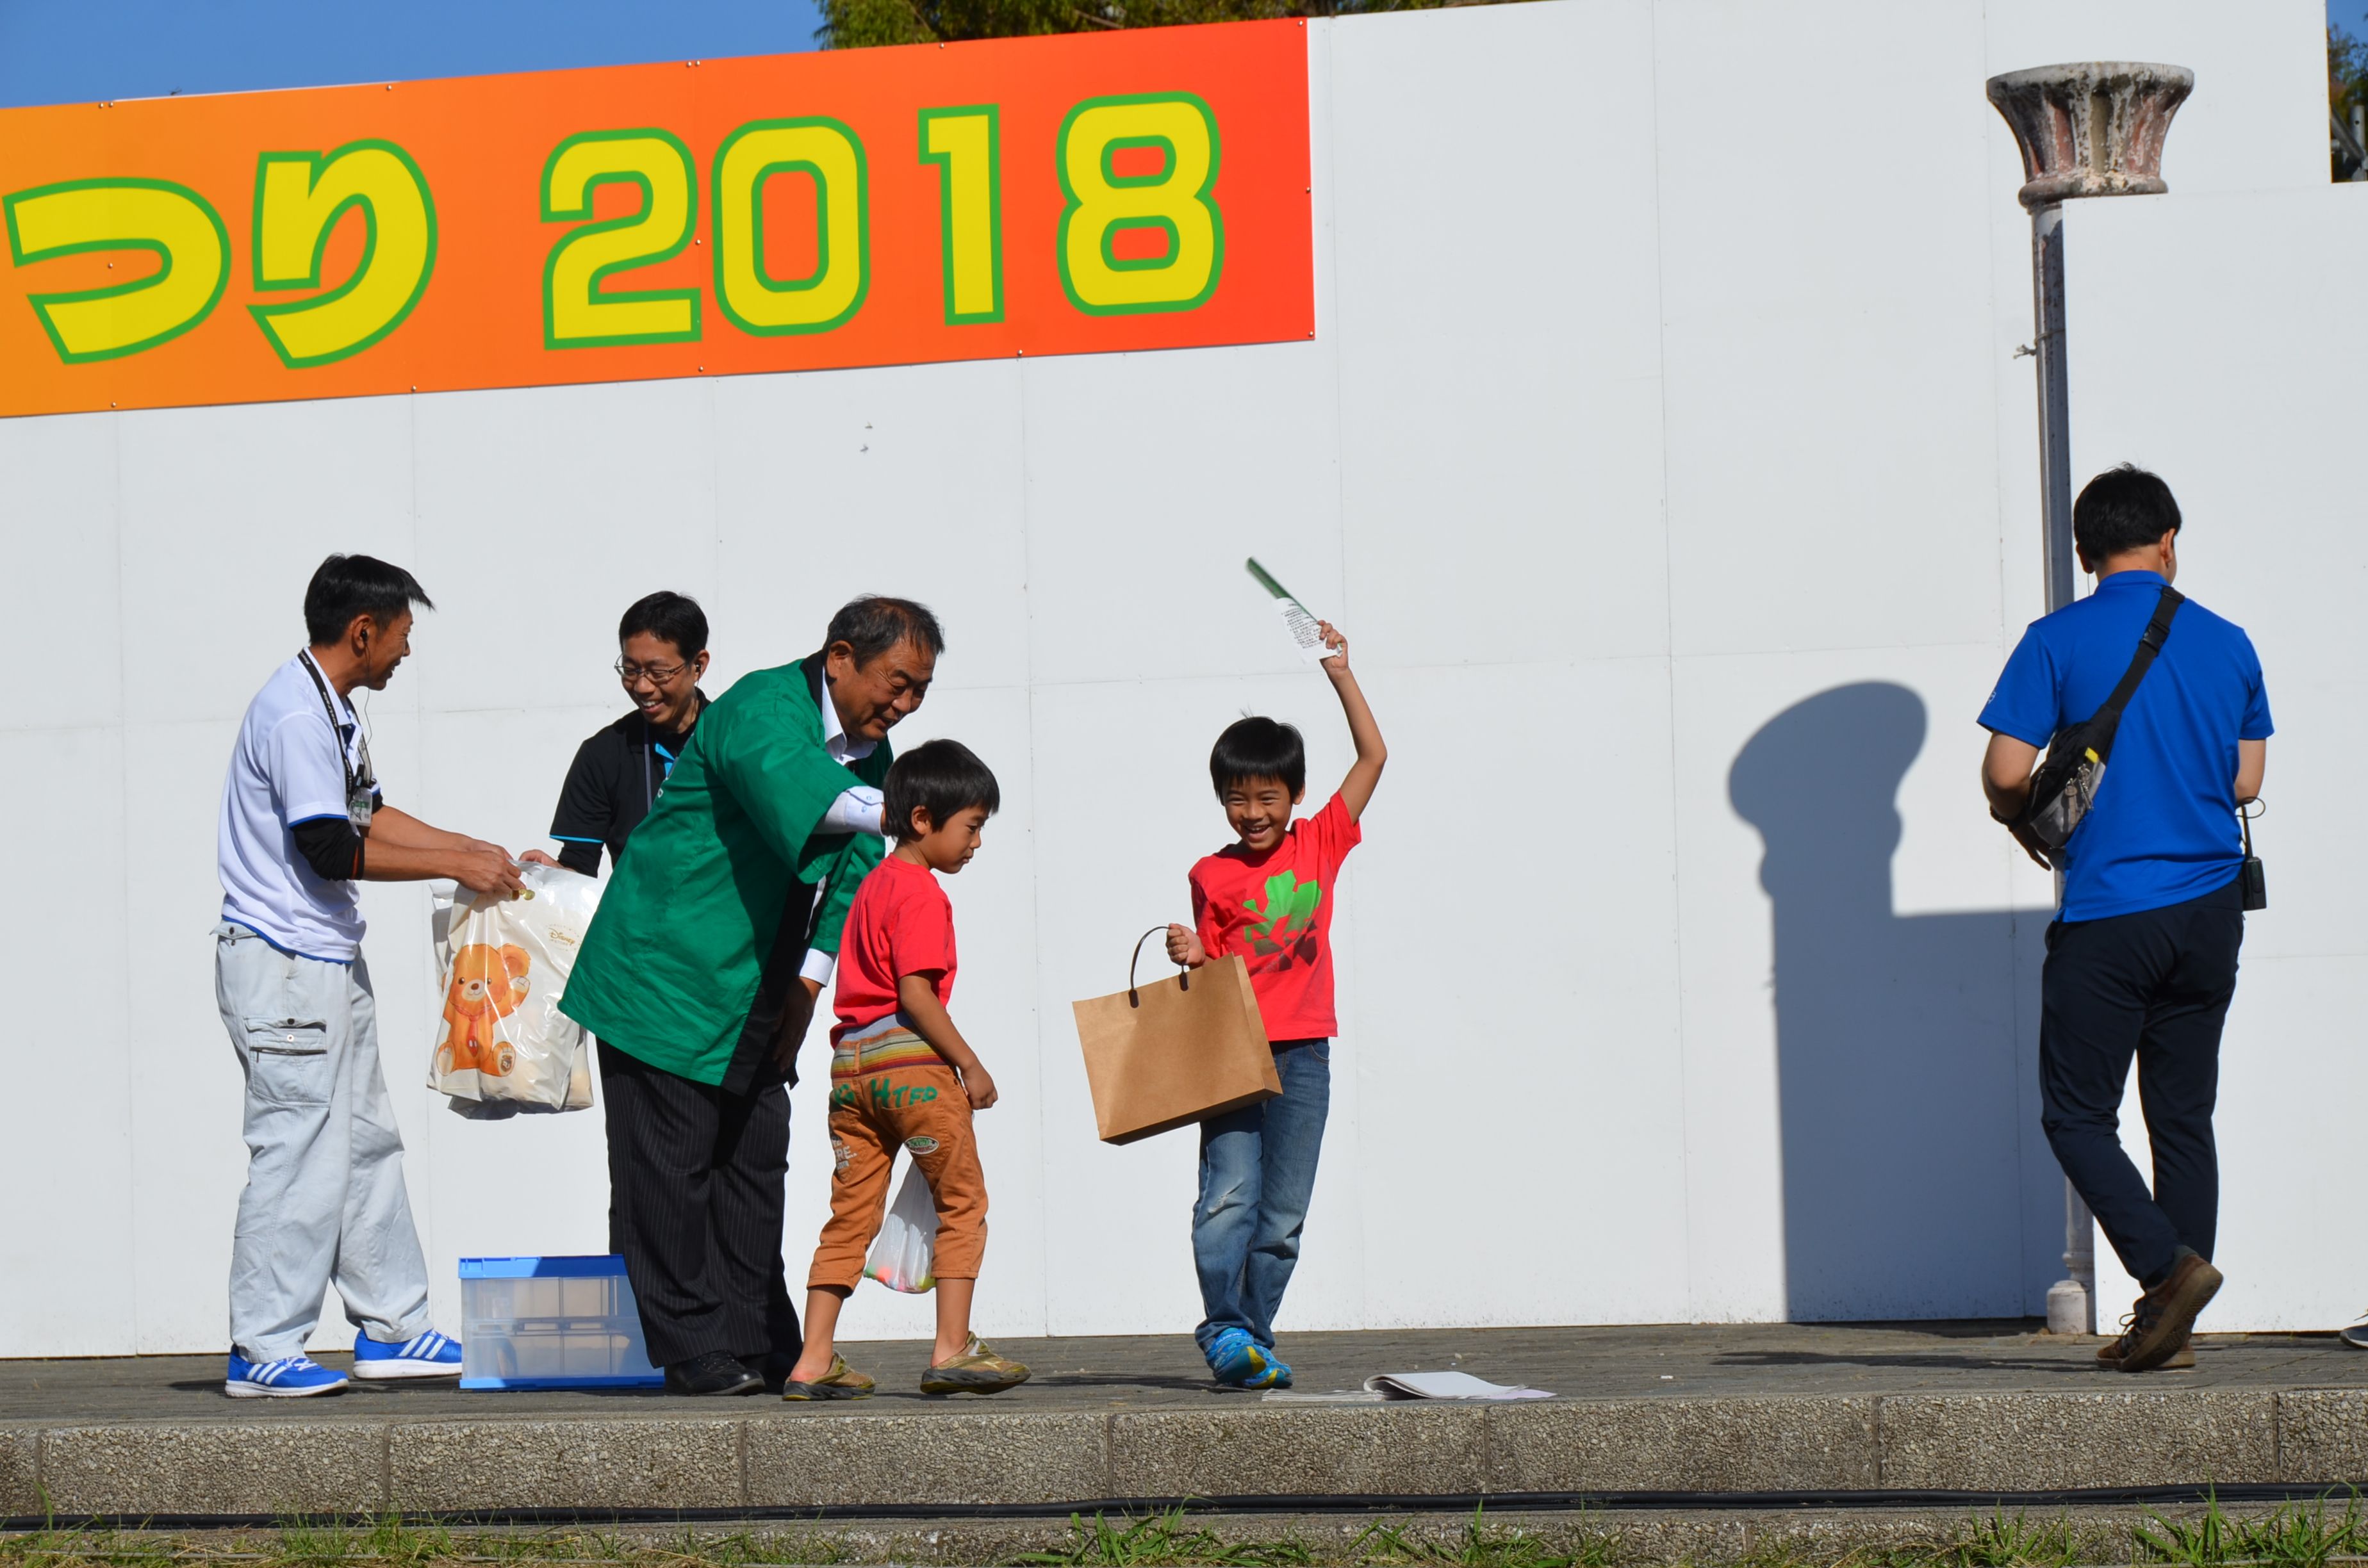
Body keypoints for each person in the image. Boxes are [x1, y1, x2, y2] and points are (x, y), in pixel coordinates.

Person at [558, 596, 941, 1396]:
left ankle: (760, 1336)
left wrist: (808, 985)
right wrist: (923, 811)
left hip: (756, 982)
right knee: (667, 1169)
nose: (902, 705)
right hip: (662, 971)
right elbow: (818, 806)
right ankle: (691, 1347)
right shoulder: (762, 706)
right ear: (839, 657)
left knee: (753, 1161)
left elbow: (853, 875)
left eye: (918, 693)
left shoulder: (873, 752)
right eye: (895, 684)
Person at [1979, 465, 2271, 1376]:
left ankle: (2166, 1273)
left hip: (2112, 913)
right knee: (2182, 1115)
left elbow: (2002, 771)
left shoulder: (2055, 640)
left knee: (2075, 1114)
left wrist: (2025, 816)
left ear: (2084, 552)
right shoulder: (2229, 643)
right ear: (2169, 543)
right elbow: (2246, 782)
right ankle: (2172, 1325)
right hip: (2211, 911)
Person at [214, 554, 524, 1398]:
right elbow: (328, 847)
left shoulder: (333, 713)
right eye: (402, 635)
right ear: (363, 631)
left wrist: (469, 854)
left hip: (321, 962)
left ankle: (391, 1328)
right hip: (282, 968)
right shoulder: (293, 717)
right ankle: (261, 1345)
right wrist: (456, 864)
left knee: (364, 1141)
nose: (406, 652)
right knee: (298, 1152)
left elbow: (366, 814)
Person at [1163, 619, 1385, 1389]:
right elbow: (1220, 966)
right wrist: (1196, 952)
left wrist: (1339, 673)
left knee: (1283, 1215)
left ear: (1293, 796)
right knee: (1226, 1196)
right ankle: (1224, 1327)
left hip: (1304, 1052)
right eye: (1236, 798)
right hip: (1232, 1048)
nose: (1251, 812)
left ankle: (1253, 1336)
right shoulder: (1210, 874)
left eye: (1267, 796)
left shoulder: (1320, 842)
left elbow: (1373, 757)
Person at [781, 739, 1031, 1400]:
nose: (976, 842)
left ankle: (813, 1359)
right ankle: (952, 1348)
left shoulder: (870, 887)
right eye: (971, 826)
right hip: (912, 1070)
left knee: (849, 1214)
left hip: (851, 1070)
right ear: (923, 819)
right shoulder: (921, 893)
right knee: (962, 1201)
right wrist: (970, 1065)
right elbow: (916, 993)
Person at [532, 591, 712, 877]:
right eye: (630, 670)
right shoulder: (602, 754)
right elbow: (579, 865)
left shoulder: (735, 742)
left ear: (698, 665)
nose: (642, 686)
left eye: (658, 672)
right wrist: (553, 874)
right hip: (640, 920)